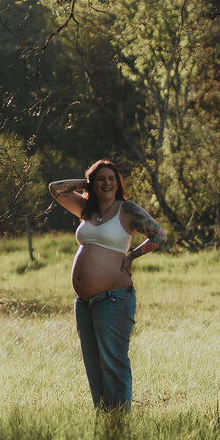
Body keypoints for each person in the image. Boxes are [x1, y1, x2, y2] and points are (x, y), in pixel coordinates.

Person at [48, 159, 166, 412]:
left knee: (113, 362)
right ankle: (105, 419)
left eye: (111, 178)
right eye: (101, 178)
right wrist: (86, 183)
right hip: (85, 303)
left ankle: (119, 420)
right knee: (93, 363)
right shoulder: (86, 210)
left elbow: (159, 235)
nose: (107, 183)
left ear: (118, 183)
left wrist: (132, 256)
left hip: (113, 298)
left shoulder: (127, 210)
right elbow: (56, 188)